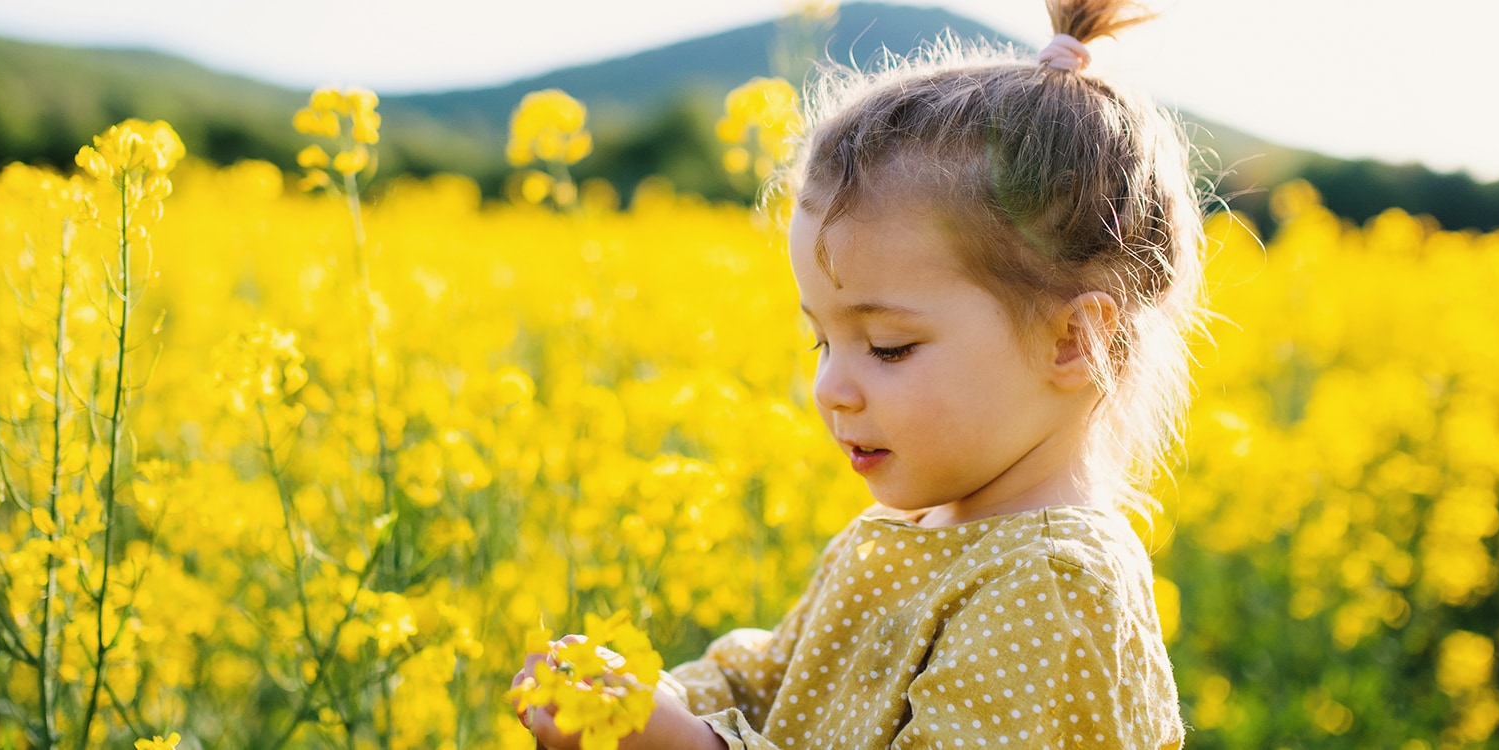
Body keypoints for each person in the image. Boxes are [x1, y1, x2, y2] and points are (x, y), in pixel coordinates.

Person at [515, 0, 1202, 745]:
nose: (830, 389)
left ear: (1073, 341)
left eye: (887, 346)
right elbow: (772, 678)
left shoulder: (1054, 589)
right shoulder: (904, 535)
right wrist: (636, 697)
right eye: (821, 343)